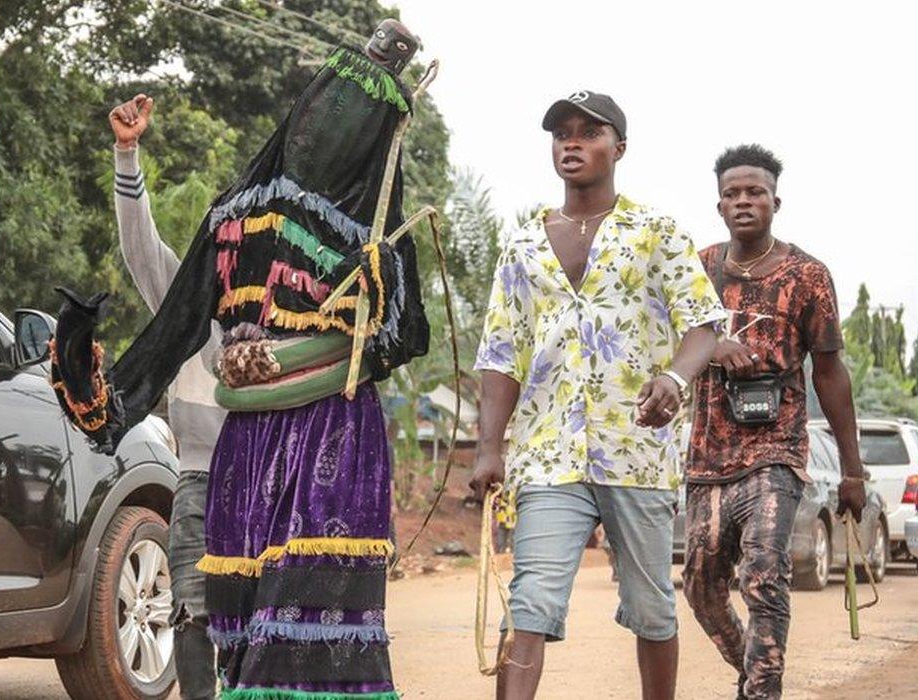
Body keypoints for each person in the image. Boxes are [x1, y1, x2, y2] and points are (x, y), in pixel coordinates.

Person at [51, 19, 429, 700]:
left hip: (329, 445)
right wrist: (127, 162)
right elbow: (151, 277)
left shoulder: (373, 241)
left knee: (307, 616)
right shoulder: (232, 229)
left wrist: (381, 283)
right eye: (326, 109)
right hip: (223, 462)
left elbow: (400, 339)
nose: (334, 130)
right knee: (219, 619)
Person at [469, 90, 726, 700]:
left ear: (620, 148)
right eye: (562, 133)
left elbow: (702, 323)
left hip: (636, 451)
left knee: (650, 605)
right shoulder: (523, 246)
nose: (572, 143)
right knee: (530, 600)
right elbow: (502, 354)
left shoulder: (655, 233)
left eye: (589, 132)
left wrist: (675, 378)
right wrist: (488, 450)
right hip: (548, 452)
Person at [682, 144, 867, 700]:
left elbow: (831, 373)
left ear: (775, 202)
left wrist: (853, 471)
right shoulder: (699, 268)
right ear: (719, 206)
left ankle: (763, 691)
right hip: (708, 457)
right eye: (732, 194)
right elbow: (665, 339)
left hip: (776, 453)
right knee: (701, 586)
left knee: (763, 573)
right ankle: (754, 671)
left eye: (754, 192)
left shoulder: (808, 275)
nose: (743, 201)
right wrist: (713, 346)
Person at [107, 94, 225, 700]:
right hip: (199, 484)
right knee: (193, 613)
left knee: (263, 625)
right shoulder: (186, 307)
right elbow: (140, 247)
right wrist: (127, 153)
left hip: (269, 486)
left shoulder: (285, 314)